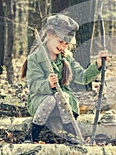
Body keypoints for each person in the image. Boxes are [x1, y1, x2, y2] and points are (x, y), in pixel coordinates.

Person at [21, 14, 109, 143]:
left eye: (66, 43)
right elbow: (33, 85)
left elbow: (83, 77)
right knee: (51, 99)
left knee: (61, 96)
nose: (62, 46)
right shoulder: (35, 58)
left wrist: (98, 65)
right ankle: (32, 135)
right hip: (40, 102)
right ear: (49, 34)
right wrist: (48, 84)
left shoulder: (66, 57)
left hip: (64, 105)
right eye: (60, 41)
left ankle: (71, 135)